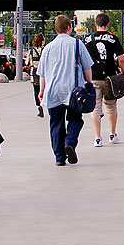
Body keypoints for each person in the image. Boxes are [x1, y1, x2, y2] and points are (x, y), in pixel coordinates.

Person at [38, 15, 95, 166]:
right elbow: (87, 66)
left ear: (56, 29)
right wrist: (89, 83)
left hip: (53, 90)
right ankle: (69, 142)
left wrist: (41, 90)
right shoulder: (77, 44)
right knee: (76, 118)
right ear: (69, 27)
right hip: (73, 91)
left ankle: (59, 157)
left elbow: (42, 73)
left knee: (56, 123)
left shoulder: (48, 48)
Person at [83, 13, 124, 148]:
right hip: (110, 78)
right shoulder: (113, 38)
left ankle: (97, 138)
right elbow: (121, 60)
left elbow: (83, 60)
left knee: (96, 108)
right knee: (111, 106)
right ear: (108, 24)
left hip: (93, 77)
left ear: (95, 24)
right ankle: (112, 134)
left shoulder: (87, 39)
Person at [27, 33, 46, 117]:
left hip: (34, 72)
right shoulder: (45, 50)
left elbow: (27, 62)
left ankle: (39, 107)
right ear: (41, 41)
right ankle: (45, 104)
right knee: (44, 89)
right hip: (44, 72)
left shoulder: (31, 51)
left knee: (36, 91)